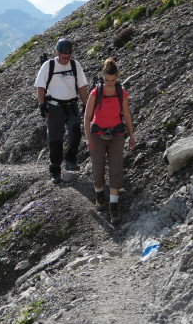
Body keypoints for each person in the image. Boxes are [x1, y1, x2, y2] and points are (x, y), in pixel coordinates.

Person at [83, 57, 135, 224]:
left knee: (116, 168)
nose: (110, 83)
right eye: (107, 80)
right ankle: (99, 194)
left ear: (117, 78)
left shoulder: (121, 93)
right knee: (98, 168)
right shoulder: (95, 93)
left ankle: (113, 205)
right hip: (97, 134)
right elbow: (87, 117)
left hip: (116, 134)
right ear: (102, 76)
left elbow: (126, 115)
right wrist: (88, 138)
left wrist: (132, 135)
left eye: (112, 80)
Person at [34, 37, 88, 184]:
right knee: (55, 139)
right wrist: (41, 105)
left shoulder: (75, 65)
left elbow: (82, 87)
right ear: (56, 52)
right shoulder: (48, 66)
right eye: (64, 57)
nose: (66, 59)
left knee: (76, 131)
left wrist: (86, 104)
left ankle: (70, 159)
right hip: (54, 107)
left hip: (71, 106)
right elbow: (40, 87)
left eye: (68, 56)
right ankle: (55, 171)